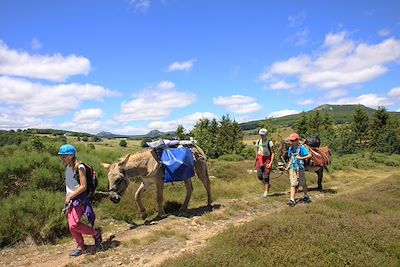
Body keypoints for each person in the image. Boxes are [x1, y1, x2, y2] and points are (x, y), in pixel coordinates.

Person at [58, 144, 102, 257]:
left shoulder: (80, 167)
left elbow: (83, 186)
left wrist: (70, 196)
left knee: (74, 225)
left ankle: (96, 234)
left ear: (71, 155)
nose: (61, 158)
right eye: (60, 156)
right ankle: (81, 246)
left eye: (64, 156)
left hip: (78, 199)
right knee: (71, 226)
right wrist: (67, 197)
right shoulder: (68, 166)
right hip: (70, 199)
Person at [286, 133, 312, 207]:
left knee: (303, 183)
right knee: (293, 184)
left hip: (300, 168)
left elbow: (309, 155)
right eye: (291, 140)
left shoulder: (301, 148)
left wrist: (301, 158)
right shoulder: (290, 148)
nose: (292, 142)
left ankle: (306, 196)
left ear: (297, 140)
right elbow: (290, 157)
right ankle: (292, 199)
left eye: (293, 140)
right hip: (292, 168)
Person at [255, 128, 275, 198]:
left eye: (263, 135)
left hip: (267, 159)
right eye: (261, 135)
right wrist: (256, 159)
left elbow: (272, 153)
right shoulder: (258, 141)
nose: (262, 136)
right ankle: (267, 185)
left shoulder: (269, 142)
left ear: (266, 135)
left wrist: (271, 162)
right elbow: (257, 151)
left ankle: (265, 192)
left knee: (266, 176)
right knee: (259, 176)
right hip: (260, 159)